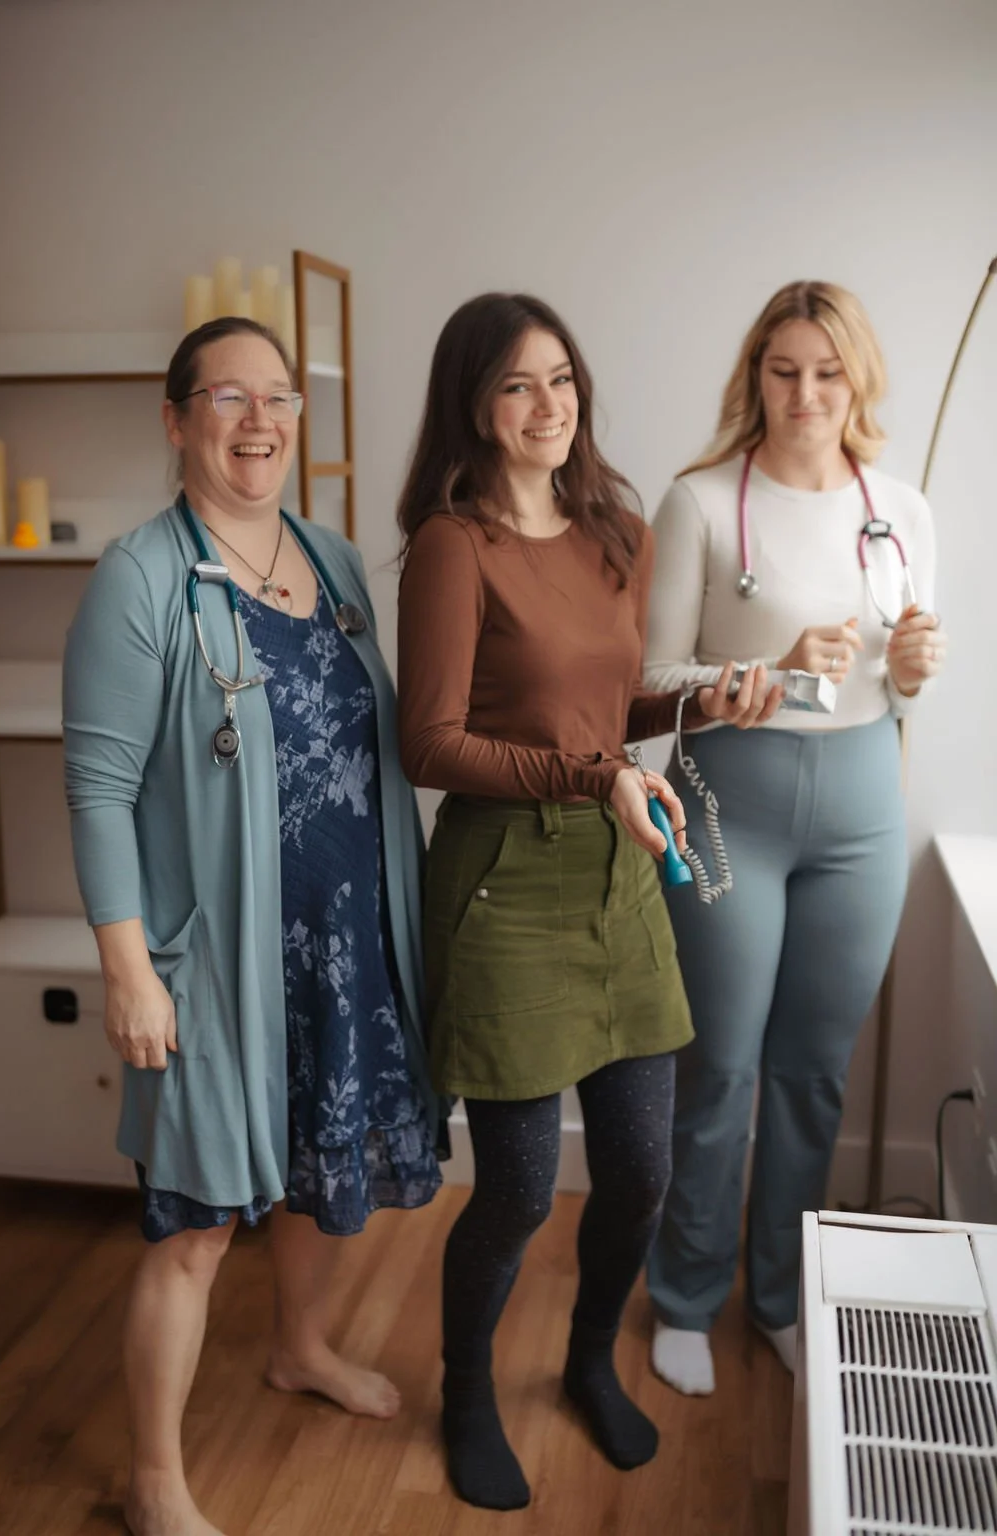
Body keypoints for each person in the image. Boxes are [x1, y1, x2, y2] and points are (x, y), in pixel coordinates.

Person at [395, 292, 780, 1512]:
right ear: (473, 404)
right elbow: (430, 746)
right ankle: (464, 1394)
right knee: (512, 1186)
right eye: (517, 385)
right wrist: (599, 772)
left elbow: (612, 713)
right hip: (505, 882)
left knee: (641, 1173)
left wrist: (697, 704)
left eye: (560, 379)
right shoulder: (454, 546)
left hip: (619, 877)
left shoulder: (614, 530)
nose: (548, 406)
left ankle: (582, 1364)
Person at [63, 316, 441, 1536]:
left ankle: (299, 1348)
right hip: (217, 962)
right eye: (227, 396)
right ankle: (156, 1484)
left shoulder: (328, 560)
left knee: (312, 1179)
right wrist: (129, 967)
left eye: (276, 396)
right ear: (177, 420)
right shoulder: (140, 575)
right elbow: (99, 788)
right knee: (191, 1225)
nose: (259, 419)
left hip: (340, 947)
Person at [644, 280, 947, 1398]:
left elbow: (899, 677)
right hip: (730, 803)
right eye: (783, 371)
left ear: (855, 378)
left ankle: (780, 1296)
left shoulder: (903, 508)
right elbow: (649, 684)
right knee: (717, 1067)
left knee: (814, 1075)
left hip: (862, 804)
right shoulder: (699, 503)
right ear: (754, 376)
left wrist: (907, 673)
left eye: (827, 371)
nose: (805, 394)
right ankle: (683, 1294)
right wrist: (771, 675)